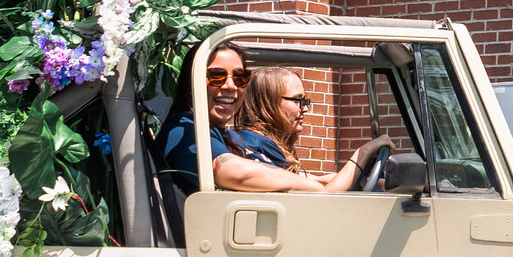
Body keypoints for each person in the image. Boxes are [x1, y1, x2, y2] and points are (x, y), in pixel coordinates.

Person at [161, 50, 391, 193]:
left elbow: (297, 178)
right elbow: (234, 172)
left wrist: (331, 181)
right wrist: (364, 151)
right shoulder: (183, 129)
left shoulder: (219, 135)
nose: (231, 86)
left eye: (240, 78)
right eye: (217, 75)